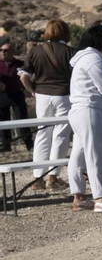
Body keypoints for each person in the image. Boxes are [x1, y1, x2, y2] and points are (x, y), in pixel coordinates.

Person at [66, 22, 102, 213]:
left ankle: (79, 197)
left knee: (79, 154)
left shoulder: (84, 58)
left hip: (79, 111)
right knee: (96, 154)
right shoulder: (94, 59)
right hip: (89, 110)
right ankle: (100, 198)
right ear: (100, 41)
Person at [20, 19, 74, 189]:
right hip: (64, 95)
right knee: (60, 135)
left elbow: (23, 76)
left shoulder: (36, 50)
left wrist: (33, 92)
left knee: (42, 135)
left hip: (42, 96)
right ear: (65, 32)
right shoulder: (70, 51)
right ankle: (53, 177)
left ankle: (37, 179)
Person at [0, 39, 32, 153]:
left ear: (12, 51)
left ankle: (28, 143)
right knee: (3, 120)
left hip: (17, 94)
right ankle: (6, 144)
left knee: (22, 118)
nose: (3, 52)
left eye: (6, 50)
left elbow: (27, 77)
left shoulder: (19, 64)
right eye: (1, 50)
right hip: (2, 95)